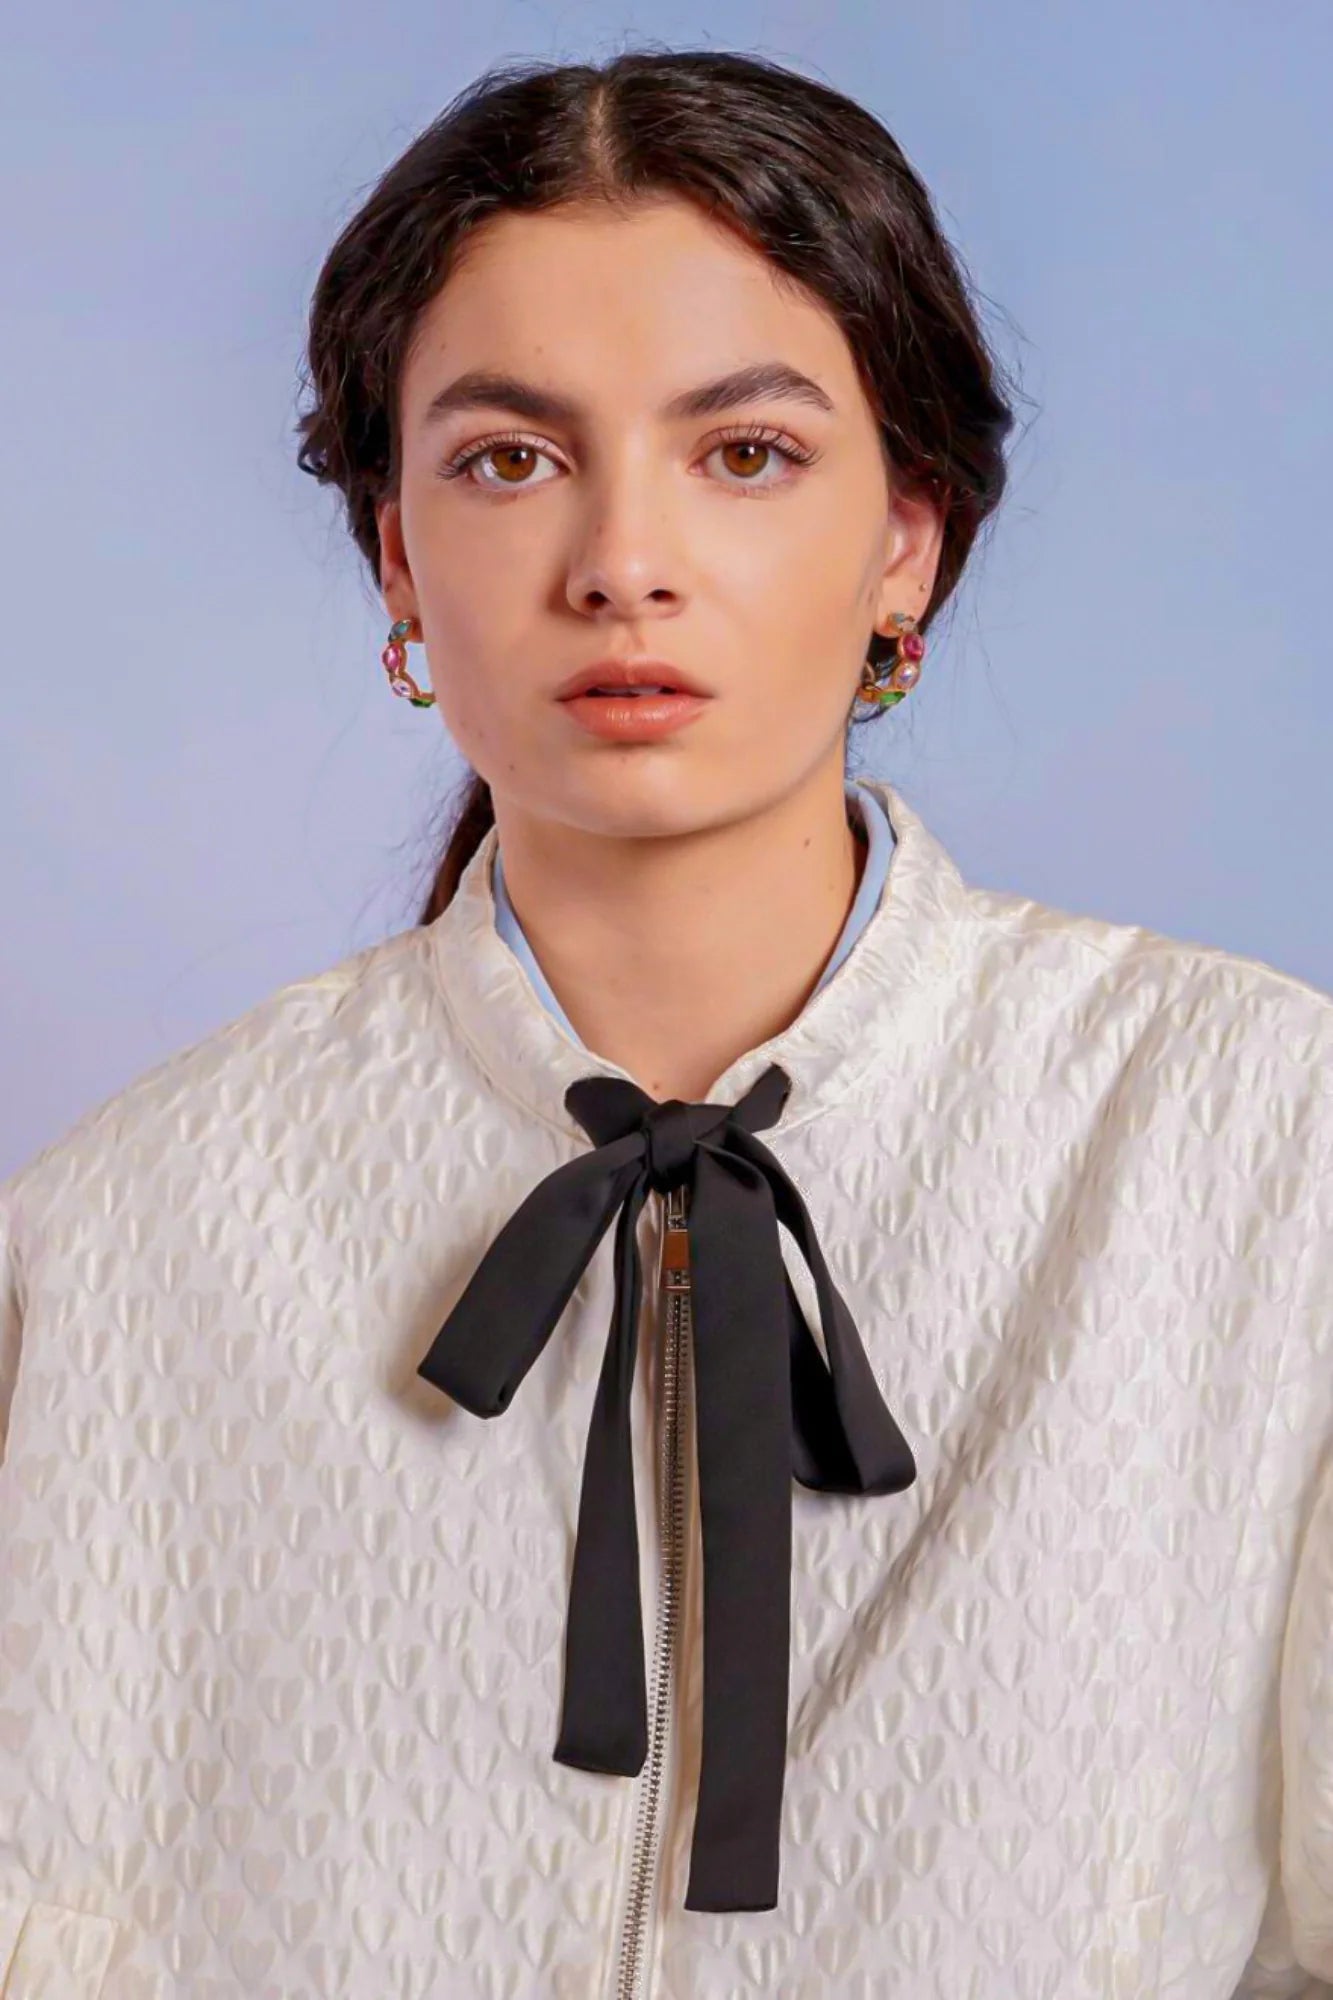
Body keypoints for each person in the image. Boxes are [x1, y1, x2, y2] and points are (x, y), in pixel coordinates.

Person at [1, 45, 1329, 2000]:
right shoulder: (122, 1237)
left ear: (907, 540)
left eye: (746, 452)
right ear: (395, 552)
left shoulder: (1252, 1142)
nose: (621, 559)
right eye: (507, 456)